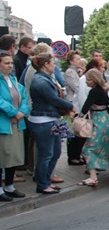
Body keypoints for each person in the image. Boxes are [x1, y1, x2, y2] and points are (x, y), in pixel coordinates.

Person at [27, 53, 75, 194]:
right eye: (53, 63)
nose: (55, 65)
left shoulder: (47, 78)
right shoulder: (40, 81)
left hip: (54, 119)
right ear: (46, 64)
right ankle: (42, 184)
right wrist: (70, 106)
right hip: (43, 120)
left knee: (56, 152)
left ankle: (47, 180)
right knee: (46, 154)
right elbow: (53, 99)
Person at [78, 69, 109, 187]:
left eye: (89, 80)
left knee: (88, 148)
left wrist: (79, 117)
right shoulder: (103, 90)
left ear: (95, 80)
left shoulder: (94, 92)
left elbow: (85, 107)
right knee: (107, 146)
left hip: (98, 121)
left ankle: (93, 176)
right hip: (106, 120)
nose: (86, 82)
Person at [0, 50, 30, 201]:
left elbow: (24, 98)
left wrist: (21, 113)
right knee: (2, 157)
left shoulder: (13, 80)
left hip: (17, 123)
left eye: (11, 62)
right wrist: (13, 113)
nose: (10, 65)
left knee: (14, 156)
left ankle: (10, 186)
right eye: (6, 63)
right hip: (4, 124)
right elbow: (0, 101)